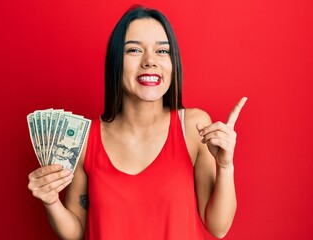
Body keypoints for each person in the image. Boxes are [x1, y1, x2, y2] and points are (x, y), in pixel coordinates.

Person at [28, 5, 247, 240]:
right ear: (116, 62)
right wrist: (51, 202)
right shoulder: (85, 138)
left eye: (162, 51)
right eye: (134, 50)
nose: (150, 61)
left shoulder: (194, 127)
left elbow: (218, 227)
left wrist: (225, 166)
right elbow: (77, 232)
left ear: (173, 64)